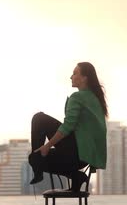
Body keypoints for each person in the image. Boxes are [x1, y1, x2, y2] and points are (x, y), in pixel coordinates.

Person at [28, 62, 108, 192]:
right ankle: (76, 177)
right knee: (35, 157)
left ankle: (37, 164)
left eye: (75, 73)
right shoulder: (95, 99)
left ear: (84, 78)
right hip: (84, 158)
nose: (71, 77)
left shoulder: (78, 97)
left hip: (75, 154)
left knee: (39, 119)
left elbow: (68, 126)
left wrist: (47, 146)